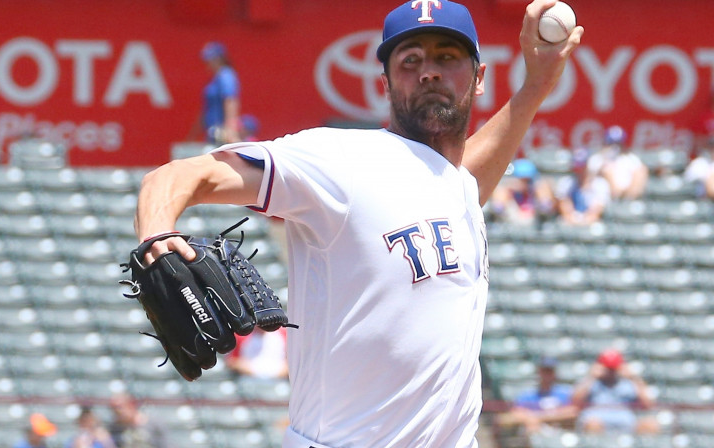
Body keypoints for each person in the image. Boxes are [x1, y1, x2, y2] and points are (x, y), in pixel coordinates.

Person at [134, 1, 582, 446]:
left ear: (479, 78)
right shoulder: (341, 160)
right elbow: (182, 174)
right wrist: (157, 232)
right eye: (411, 60)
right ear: (385, 83)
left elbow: (460, 180)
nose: (429, 71)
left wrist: (536, 86)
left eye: (447, 56)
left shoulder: (456, 187)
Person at [572, 349, 659, 435]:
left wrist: (633, 377)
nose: (610, 372)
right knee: (593, 425)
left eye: (613, 369)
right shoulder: (592, 382)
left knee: (650, 425)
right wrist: (591, 376)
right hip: (599, 420)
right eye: (608, 368)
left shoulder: (628, 383)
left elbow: (648, 405)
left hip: (626, 423)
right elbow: (575, 402)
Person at [496, 357, 578, 435]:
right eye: (544, 371)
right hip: (537, 430)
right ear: (539, 372)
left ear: (555, 373)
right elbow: (515, 413)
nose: (547, 375)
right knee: (532, 427)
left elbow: (572, 412)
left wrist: (539, 417)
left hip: (560, 430)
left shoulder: (565, 391)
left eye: (550, 371)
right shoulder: (529, 394)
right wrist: (533, 419)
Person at [185, 41, 243, 145]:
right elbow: (206, 110)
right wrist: (193, 136)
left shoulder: (226, 75)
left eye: (210, 59)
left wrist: (230, 128)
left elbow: (230, 101)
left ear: (219, 59)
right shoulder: (214, 80)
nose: (207, 63)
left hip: (222, 133)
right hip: (212, 132)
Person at [487, 158, 555, 226]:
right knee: (500, 191)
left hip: (534, 219)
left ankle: (545, 219)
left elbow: (549, 203)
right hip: (512, 220)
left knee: (544, 187)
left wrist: (531, 189)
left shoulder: (538, 190)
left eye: (527, 180)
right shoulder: (508, 191)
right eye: (522, 180)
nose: (524, 183)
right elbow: (498, 205)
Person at [589, 126, 648, 200]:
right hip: (603, 197)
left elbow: (640, 172)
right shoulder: (598, 158)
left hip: (627, 192)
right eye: (611, 143)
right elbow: (589, 178)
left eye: (618, 143)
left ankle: (628, 201)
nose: (615, 147)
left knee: (640, 171)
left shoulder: (630, 158)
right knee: (607, 171)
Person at [555, 148, 611, 226]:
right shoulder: (566, 182)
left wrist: (583, 222)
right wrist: (574, 220)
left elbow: (595, 213)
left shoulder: (600, 184)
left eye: (582, 167)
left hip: (590, 225)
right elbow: (565, 210)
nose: (579, 171)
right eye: (577, 167)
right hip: (570, 223)